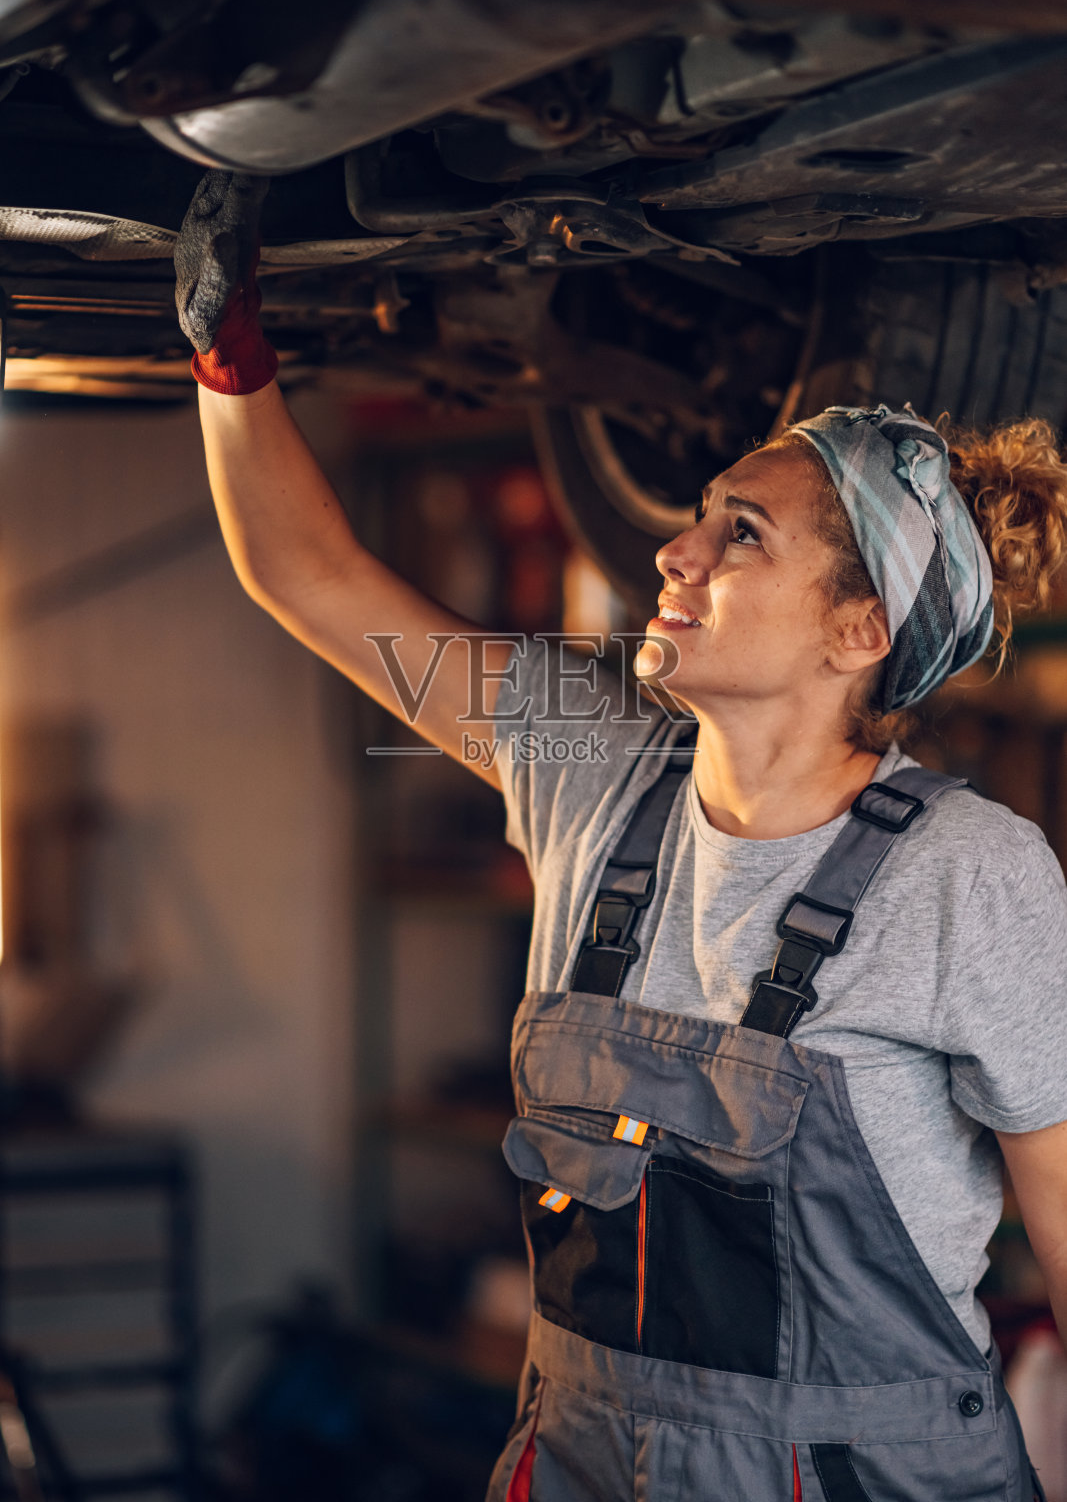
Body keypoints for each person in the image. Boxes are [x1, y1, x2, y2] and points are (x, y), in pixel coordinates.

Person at [177, 172, 1067, 1501]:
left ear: (857, 630)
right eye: (700, 512)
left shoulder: (969, 875)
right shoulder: (589, 767)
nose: (676, 550)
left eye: (740, 534)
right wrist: (227, 356)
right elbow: (309, 576)